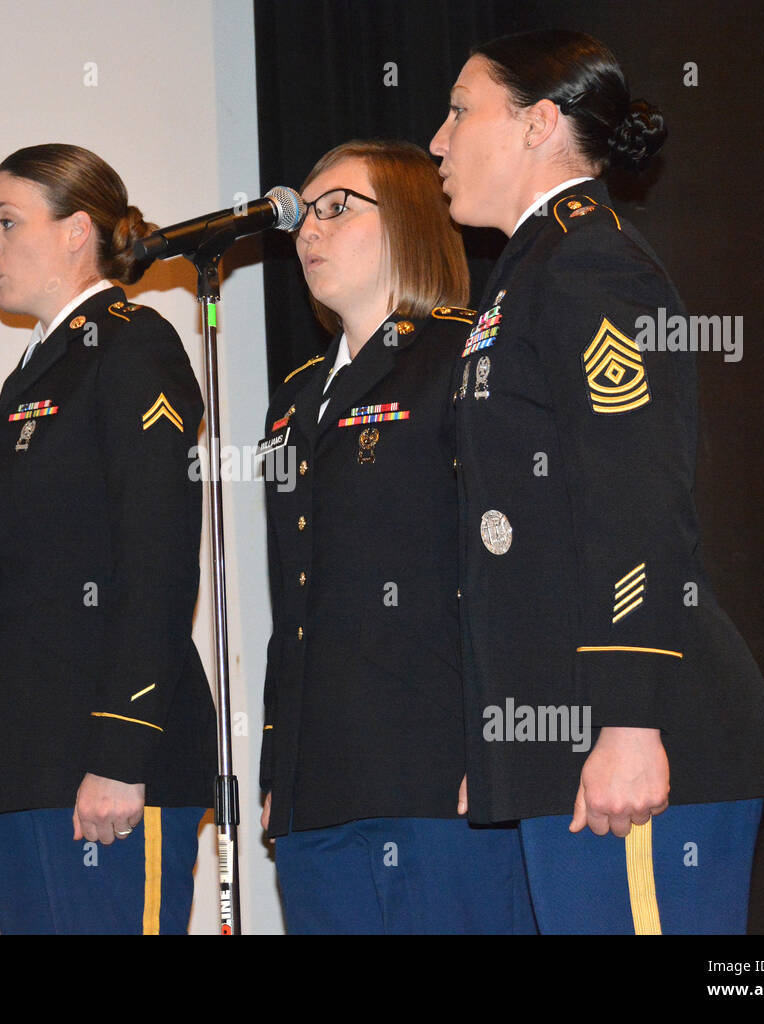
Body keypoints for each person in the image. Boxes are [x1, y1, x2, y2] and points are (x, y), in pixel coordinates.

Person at [429, 29, 764, 934]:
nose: (438, 140)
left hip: (634, 731)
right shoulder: (525, 274)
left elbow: (636, 499)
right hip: (563, 734)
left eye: (462, 109)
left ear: (539, 125)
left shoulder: (589, 264)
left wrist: (628, 721)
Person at [257, 139, 535, 934]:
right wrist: (283, 763)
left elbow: (509, 565)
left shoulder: (464, 353)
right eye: (302, 215)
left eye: (336, 207)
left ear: (411, 218)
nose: (308, 230)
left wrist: (500, 743)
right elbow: (295, 600)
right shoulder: (292, 402)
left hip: (439, 775)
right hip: (318, 791)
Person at [0, 144, 216, 935]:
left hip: (106, 759)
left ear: (77, 232)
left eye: (7, 222)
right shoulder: (34, 374)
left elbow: (159, 560)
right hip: (29, 764)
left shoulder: (133, 346)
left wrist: (122, 752)